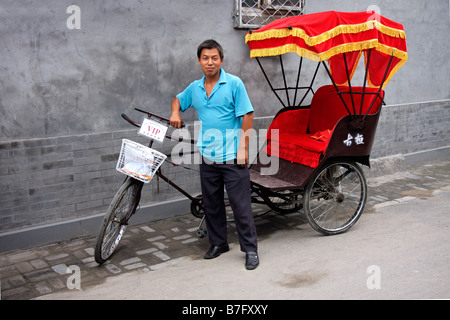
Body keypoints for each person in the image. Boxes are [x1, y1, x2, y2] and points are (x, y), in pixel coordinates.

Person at [169, 39, 259, 270]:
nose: (210, 62)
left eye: (214, 58)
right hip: (207, 156)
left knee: (241, 206)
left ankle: (250, 249)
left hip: (232, 156)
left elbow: (247, 115)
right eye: (205, 58)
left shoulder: (234, 84)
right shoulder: (195, 88)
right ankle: (219, 243)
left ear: (221, 60)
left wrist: (243, 148)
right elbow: (178, 99)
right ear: (199, 61)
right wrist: (175, 113)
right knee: (212, 204)